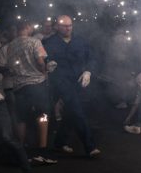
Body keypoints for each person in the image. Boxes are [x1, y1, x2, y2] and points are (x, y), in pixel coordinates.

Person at [43, 15, 100, 157]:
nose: (68, 28)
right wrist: (47, 65)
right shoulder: (49, 42)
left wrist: (88, 71)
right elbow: (41, 59)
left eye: (70, 25)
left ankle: (59, 143)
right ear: (57, 26)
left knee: (70, 112)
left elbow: (92, 57)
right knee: (76, 109)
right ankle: (90, 146)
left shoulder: (80, 41)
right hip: (61, 82)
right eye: (64, 26)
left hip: (79, 81)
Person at [5, 21, 56, 165]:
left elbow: (10, 67)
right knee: (43, 116)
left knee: (21, 118)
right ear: (27, 27)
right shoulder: (35, 42)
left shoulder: (11, 46)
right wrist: (45, 70)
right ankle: (42, 152)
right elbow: (40, 62)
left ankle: (21, 153)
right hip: (37, 84)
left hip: (19, 86)